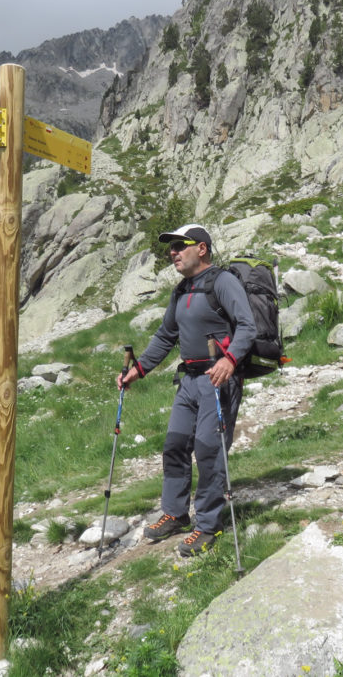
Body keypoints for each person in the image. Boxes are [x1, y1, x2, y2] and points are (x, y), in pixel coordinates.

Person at [117, 224, 257, 557]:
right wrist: (139, 370)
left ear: (202, 249)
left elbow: (247, 326)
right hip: (188, 381)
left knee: (209, 449)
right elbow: (166, 336)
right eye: (171, 248)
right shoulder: (181, 290)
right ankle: (176, 513)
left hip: (217, 379)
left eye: (181, 246)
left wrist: (230, 361)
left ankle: (208, 526)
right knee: (175, 445)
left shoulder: (223, 282)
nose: (173, 252)